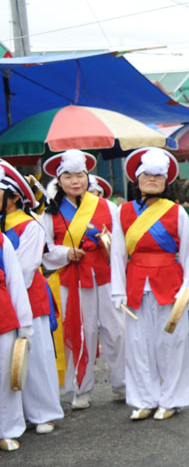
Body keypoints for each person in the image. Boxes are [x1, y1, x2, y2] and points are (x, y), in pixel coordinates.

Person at [110, 148, 189, 421]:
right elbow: (117, 254)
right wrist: (117, 290)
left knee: (171, 344)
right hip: (135, 285)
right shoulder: (123, 212)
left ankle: (171, 400)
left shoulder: (177, 212)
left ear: (165, 181)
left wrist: (186, 289)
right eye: (147, 174)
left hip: (170, 285)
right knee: (138, 345)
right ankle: (143, 400)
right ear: (137, 179)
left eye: (158, 176)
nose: (152, 179)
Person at [41, 150, 126, 409]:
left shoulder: (108, 207)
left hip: (106, 277)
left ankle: (122, 383)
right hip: (74, 279)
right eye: (68, 176)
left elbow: (121, 244)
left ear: (87, 177)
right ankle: (81, 388)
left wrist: (106, 242)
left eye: (80, 175)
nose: (75, 181)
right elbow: (44, 250)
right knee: (80, 332)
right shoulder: (51, 213)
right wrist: (65, 253)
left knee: (116, 330)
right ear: (59, 180)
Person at [1, 162, 63, 436]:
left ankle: (44, 412)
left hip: (28, 295)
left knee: (35, 356)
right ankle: (18, 414)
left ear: (14, 196)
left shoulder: (30, 225)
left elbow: (25, 269)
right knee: (8, 360)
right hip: (6, 299)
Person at [0, 195, 32, 452]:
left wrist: (24, 324)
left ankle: (7, 430)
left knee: (4, 376)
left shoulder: (2, 241)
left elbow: (16, 283)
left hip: (2, 316)